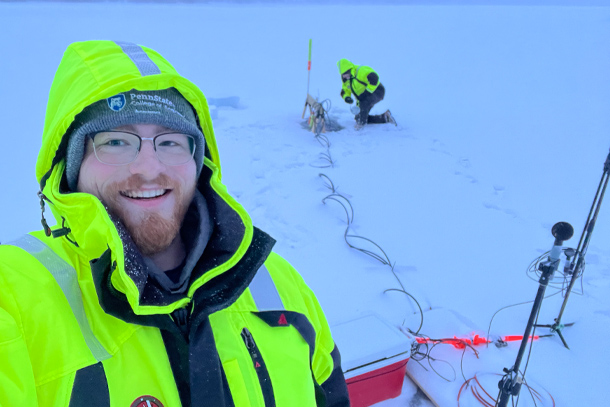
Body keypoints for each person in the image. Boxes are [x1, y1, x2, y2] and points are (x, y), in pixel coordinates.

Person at [0, 40, 350, 407]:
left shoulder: (280, 286)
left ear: (198, 162)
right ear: (70, 168)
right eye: (116, 141)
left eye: (169, 143)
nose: (149, 168)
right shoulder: (15, 298)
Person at [337, 58, 397, 130]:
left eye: (346, 73)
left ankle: (361, 124)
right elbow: (344, 91)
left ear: (349, 70)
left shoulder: (360, 71)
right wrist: (347, 97)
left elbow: (374, 78)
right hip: (363, 97)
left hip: (377, 91)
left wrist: (365, 93)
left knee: (364, 103)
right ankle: (385, 118)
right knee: (358, 117)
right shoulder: (347, 80)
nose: (346, 76)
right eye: (344, 75)